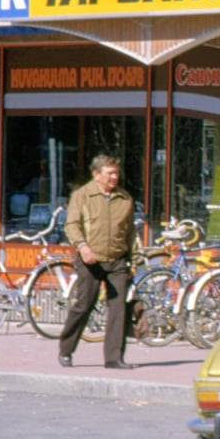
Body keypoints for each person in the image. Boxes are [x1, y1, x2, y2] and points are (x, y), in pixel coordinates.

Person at [58, 154, 137, 369]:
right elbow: (72, 225)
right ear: (96, 175)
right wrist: (83, 247)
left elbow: (130, 233)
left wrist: (134, 261)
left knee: (118, 308)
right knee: (84, 305)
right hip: (90, 259)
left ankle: (114, 358)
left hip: (117, 260)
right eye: (110, 173)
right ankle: (66, 349)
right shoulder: (82, 195)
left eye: (116, 173)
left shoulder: (125, 198)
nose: (114, 177)